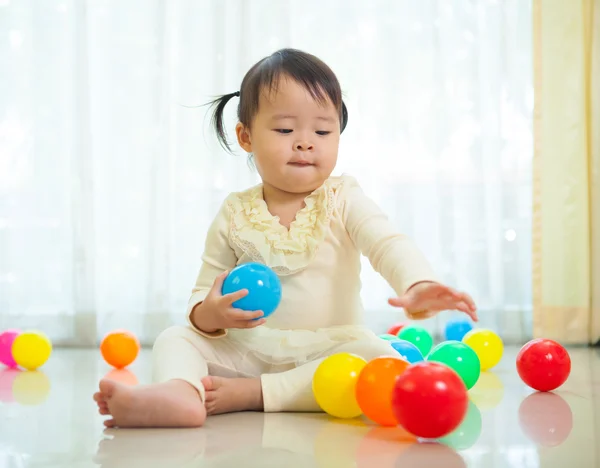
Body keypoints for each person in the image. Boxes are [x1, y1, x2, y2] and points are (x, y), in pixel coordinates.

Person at [93, 48, 477, 428]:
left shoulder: (343, 198)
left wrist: (418, 283)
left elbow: (386, 242)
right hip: (249, 349)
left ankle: (255, 394)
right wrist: (210, 316)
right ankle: (182, 394)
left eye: (323, 130)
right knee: (175, 338)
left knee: (376, 357)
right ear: (246, 137)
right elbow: (202, 290)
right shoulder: (234, 212)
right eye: (285, 129)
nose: (305, 141)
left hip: (329, 351)